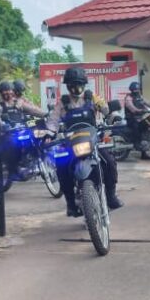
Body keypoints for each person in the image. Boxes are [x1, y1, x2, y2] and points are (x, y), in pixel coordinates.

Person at [46, 67, 123, 216]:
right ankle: (70, 204)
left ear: (84, 84)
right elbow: (53, 120)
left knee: (109, 162)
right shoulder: (62, 103)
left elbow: (106, 110)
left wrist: (114, 117)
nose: (76, 87)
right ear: (68, 86)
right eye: (73, 84)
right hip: (71, 142)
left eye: (79, 84)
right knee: (61, 166)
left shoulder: (91, 97)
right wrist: (49, 132)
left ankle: (111, 196)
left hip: (92, 139)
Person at [0, 80, 46, 181]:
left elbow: (33, 110)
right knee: (12, 144)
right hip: (8, 134)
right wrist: (3, 125)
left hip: (22, 131)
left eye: (9, 91)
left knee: (35, 139)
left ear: (12, 91)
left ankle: (31, 161)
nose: (7, 94)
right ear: (1, 93)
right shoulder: (0, 106)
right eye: (4, 91)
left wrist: (46, 114)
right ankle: (14, 168)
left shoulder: (19, 103)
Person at [123, 81, 150, 160]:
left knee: (147, 126)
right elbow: (132, 108)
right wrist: (140, 110)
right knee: (137, 128)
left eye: (137, 89)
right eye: (135, 90)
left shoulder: (140, 97)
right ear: (132, 90)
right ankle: (137, 144)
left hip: (139, 118)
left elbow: (147, 103)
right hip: (131, 119)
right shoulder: (128, 98)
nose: (137, 91)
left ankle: (144, 148)